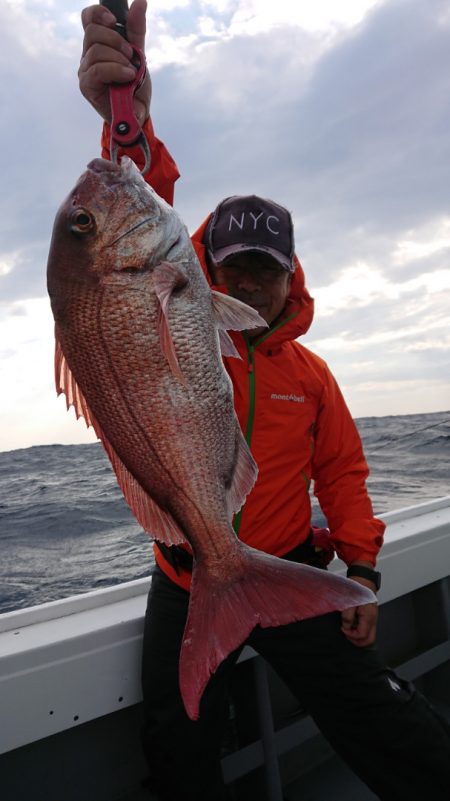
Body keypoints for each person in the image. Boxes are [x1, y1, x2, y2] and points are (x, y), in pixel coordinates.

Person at [79, 4, 450, 800]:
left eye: (263, 267)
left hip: (285, 566)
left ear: (290, 277)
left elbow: (344, 473)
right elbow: (139, 209)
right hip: (186, 576)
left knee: (386, 723)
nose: (246, 280)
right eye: (231, 263)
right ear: (200, 264)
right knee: (176, 747)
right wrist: (129, 119)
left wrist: (361, 568)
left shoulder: (311, 375)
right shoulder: (177, 318)